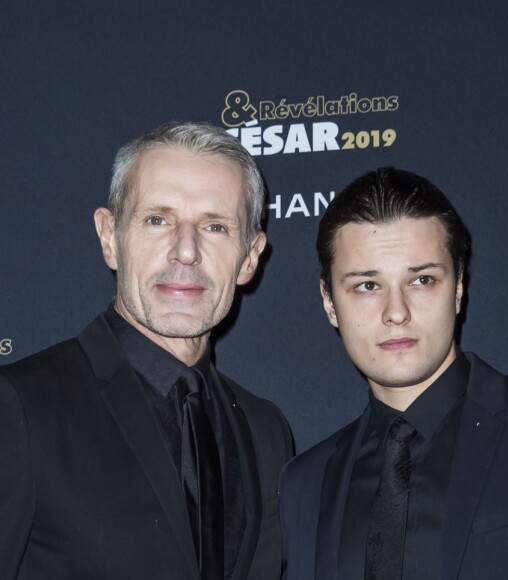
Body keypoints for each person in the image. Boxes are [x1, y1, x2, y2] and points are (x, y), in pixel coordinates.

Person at [0, 122, 293, 580]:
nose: (186, 251)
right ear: (110, 236)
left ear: (250, 257)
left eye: (215, 226)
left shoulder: (264, 430)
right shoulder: (19, 406)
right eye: (158, 220)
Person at [279, 167, 508, 580]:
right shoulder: (304, 485)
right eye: (367, 286)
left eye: (421, 280)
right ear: (330, 302)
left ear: (458, 288)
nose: (396, 312)